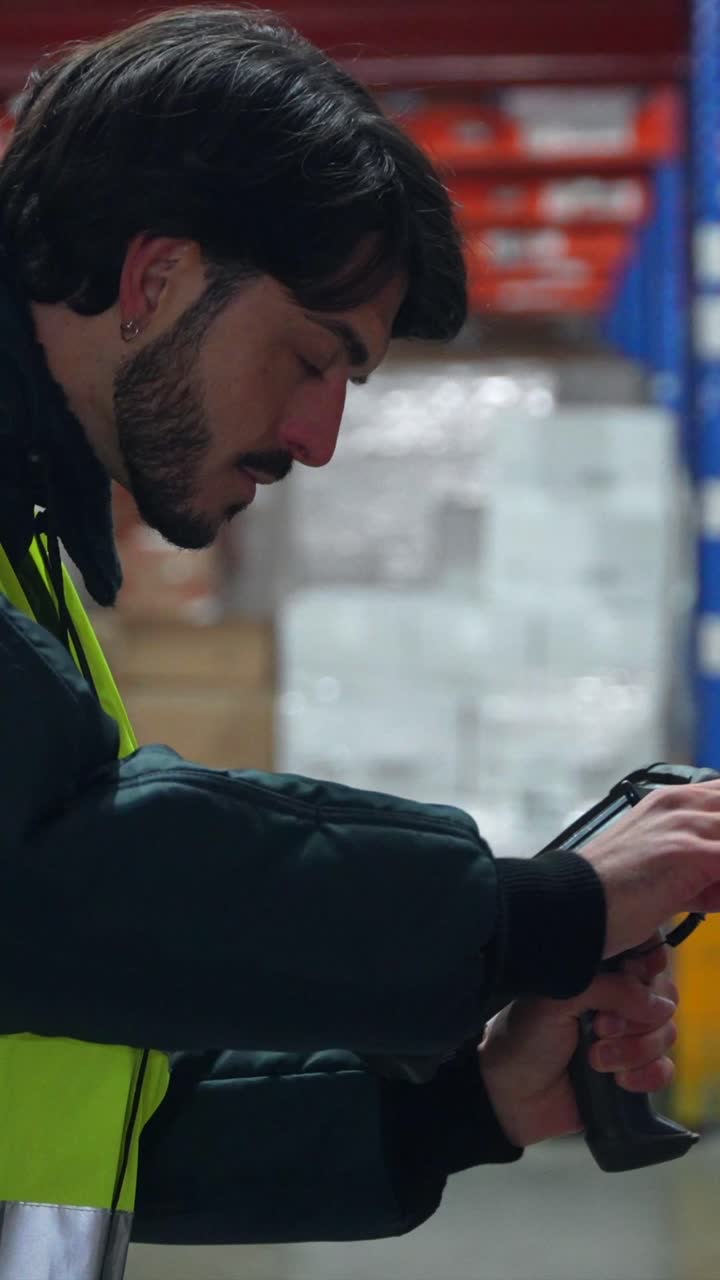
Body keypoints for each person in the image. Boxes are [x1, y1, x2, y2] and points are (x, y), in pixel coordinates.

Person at [0, 5, 717, 1277]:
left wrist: (466, 1103)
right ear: (155, 277)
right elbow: (51, 882)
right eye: (309, 357)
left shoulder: (31, 571)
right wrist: (529, 910)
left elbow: (88, 1111)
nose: (320, 439)